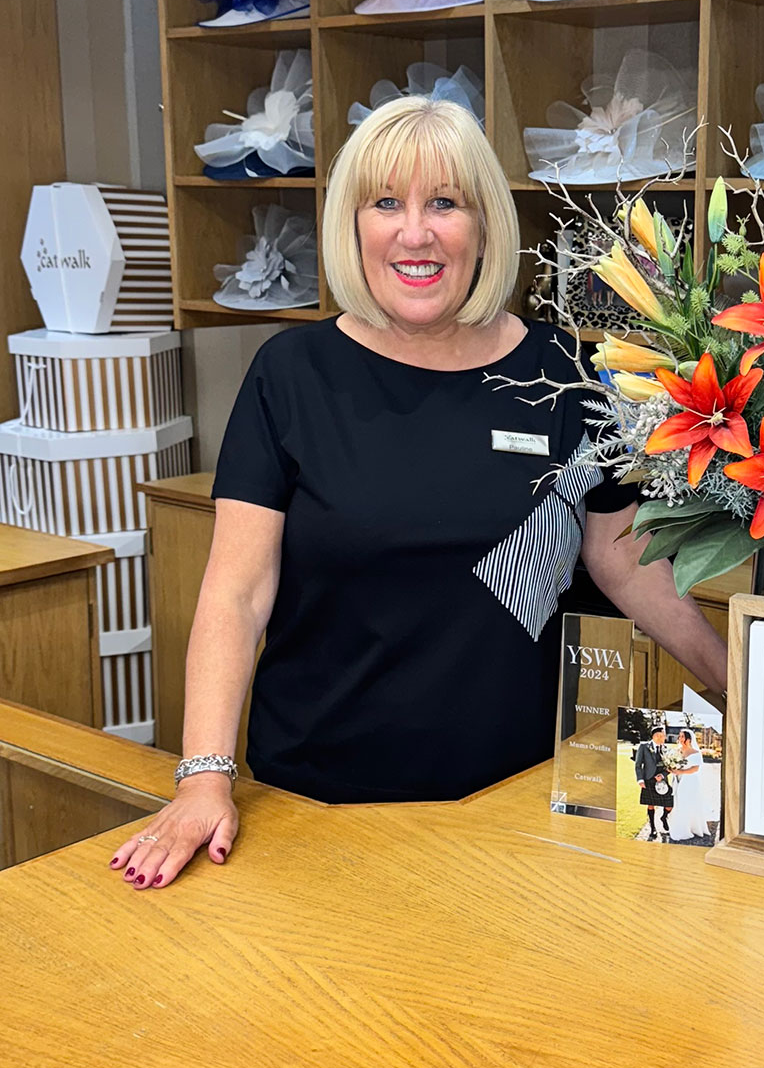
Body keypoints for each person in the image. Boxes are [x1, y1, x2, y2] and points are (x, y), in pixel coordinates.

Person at [109, 97, 728, 890]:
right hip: (317, 803)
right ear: (352, 223)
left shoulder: (566, 375)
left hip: (515, 802)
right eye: (386, 203)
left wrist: (733, 686)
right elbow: (237, 593)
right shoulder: (291, 375)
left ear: (483, 224)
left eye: (445, 202)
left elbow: (621, 556)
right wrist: (203, 778)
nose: (415, 233)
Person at [667, 728, 707, 842]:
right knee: (678, 802)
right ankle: (679, 825)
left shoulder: (696, 753)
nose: (679, 738)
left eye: (682, 736)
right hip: (677, 780)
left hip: (689, 781)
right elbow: (673, 764)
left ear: (689, 739)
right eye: (679, 736)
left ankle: (688, 827)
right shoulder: (677, 751)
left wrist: (681, 772)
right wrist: (672, 769)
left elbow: (695, 769)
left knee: (686, 803)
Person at [636, 725, 672, 840]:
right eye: (661, 735)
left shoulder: (665, 748)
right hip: (648, 779)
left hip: (662, 781)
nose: (663, 737)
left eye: (664, 735)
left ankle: (664, 817)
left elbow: (670, 766)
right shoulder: (643, 746)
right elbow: (638, 765)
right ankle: (653, 829)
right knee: (651, 804)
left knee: (669, 804)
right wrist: (640, 779)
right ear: (655, 736)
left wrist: (663, 775)